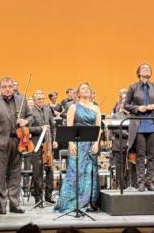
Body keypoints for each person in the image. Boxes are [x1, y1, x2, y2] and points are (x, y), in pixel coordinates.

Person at [0, 76, 29, 214]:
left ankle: (14, 205)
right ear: (1, 88)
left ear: (13, 87)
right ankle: (1, 205)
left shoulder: (22, 100)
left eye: (10, 86)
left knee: (15, 175)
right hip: (0, 143)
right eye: (4, 87)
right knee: (0, 176)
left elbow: (31, 116)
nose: (8, 89)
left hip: (18, 142)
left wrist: (25, 121)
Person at [54, 82, 101, 212]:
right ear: (78, 93)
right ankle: (72, 203)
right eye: (83, 89)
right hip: (77, 144)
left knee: (89, 172)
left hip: (91, 144)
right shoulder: (73, 107)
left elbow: (99, 128)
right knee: (75, 173)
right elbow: (69, 127)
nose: (86, 90)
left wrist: (97, 143)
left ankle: (86, 202)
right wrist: (70, 143)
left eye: (88, 89)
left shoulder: (96, 108)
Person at [124, 63, 154, 192]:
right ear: (139, 72)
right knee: (140, 155)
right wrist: (137, 108)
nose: (147, 69)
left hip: (153, 124)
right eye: (144, 68)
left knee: (152, 155)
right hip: (139, 125)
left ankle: (149, 181)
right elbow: (125, 105)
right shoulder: (133, 87)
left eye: (148, 68)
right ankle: (141, 182)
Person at [27, 89, 58, 204]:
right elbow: (27, 129)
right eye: (39, 99)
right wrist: (40, 128)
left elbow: (53, 127)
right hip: (36, 145)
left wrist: (54, 140)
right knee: (37, 172)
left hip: (48, 145)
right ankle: (38, 197)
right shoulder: (30, 112)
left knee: (49, 171)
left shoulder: (47, 110)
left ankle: (48, 196)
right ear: (34, 101)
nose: (41, 101)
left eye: (43, 99)